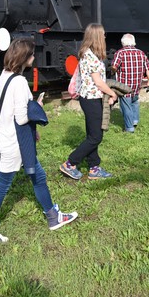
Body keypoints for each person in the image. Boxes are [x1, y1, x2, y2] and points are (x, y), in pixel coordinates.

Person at [0, 38, 78, 244]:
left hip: (8, 136)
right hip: (16, 143)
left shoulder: (5, 75)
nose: (34, 57)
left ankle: (52, 216)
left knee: (38, 176)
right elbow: (21, 118)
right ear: (24, 57)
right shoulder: (20, 82)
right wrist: (36, 106)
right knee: (2, 186)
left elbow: (9, 108)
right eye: (31, 54)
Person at [60, 24, 119, 180]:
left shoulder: (89, 54)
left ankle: (94, 168)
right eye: (103, 34)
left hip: (90, 98)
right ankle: (70, 163)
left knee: (92, 134)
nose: (105, 37)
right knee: (96, 137)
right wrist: (112, 93)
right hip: (91, 100)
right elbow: (98, 82)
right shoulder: (90, 56)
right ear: (97, 37)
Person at [111, 33, 149, 133]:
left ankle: (129, 128)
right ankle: (135, 120)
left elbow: (114, 67)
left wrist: (113, 71)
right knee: (134, 102)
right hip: (137, 85)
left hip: (124, 86)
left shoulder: (120, 53)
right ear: (133, 42)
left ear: (123, 42)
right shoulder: (141, 53)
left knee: (126, 106)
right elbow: (148, 68)